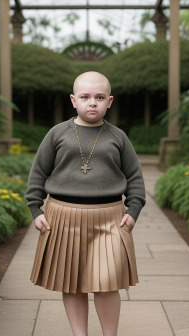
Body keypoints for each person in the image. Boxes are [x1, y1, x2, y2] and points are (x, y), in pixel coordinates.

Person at [25, 71, 146, 336]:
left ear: (109, 101)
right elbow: (38, 173)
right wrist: (36, 209)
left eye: (99, 97)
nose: (92, 102)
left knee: (107, 282)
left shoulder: (118, 137)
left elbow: (135, 177)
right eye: (85, 97)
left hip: (110, 217)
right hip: (62, 216)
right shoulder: (57, 134)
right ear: (73, 100)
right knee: (73, 282)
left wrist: (134, 209)